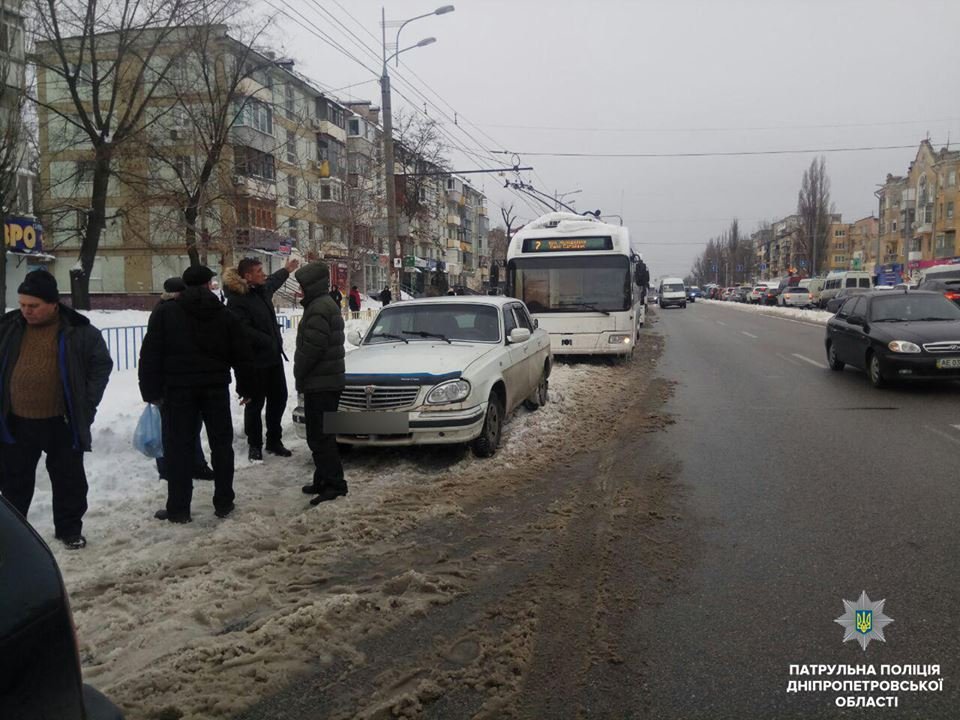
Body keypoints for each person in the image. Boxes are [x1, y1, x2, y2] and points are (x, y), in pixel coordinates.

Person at [0, 270, 113, 549]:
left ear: (53, 303)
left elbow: (101, 365)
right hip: (16, 421)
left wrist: (86, 403)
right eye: (22, 304)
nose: (26, 311)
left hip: (62, 421)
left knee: (68, 480)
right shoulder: (9, 326)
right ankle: (16, 537)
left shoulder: (79, 330)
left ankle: (69, 529)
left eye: (33, 306)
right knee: (14, 482)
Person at [138, 265, 252, 523]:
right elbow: (242, 353)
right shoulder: (223, 313)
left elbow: (150, 354)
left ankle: (179, 509)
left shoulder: (166, 313)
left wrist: (150, 390)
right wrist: (246, 387)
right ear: (209, 284)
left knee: (178, 448)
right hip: (215, 389)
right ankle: (224, 502)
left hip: (177, 392)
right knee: (221, 446)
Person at [223, 257, 300, 462]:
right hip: (254, 361)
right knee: (255, 404)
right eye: (259, 271)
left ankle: (274, 440)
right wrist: (267, 340)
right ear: (247, 276)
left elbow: (273, 281)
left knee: (279, 398)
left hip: (273, 359)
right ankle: (254, 445)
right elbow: (242, 330)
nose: (263, 274)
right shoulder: (237, 299)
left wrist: (286, 270)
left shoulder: (262, 289)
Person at [293, 261, 346, 505]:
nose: (300, 290)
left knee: (321, 437)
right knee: (320, 435)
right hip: (325, 380)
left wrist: (299, 373)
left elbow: (312, 349)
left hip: (320, 382)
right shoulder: (322, 305)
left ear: (312, 285)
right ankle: (323, 478)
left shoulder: (318, 308)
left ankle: (334, 484)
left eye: (303, 285)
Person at [153, 277, 215, 481]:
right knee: (171, 430)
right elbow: (154, 352)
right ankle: (168, 468)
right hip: (169, 384)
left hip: (183, 381)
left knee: (190, 427)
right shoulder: (164, 313)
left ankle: (194, 465)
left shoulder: (176, 310)